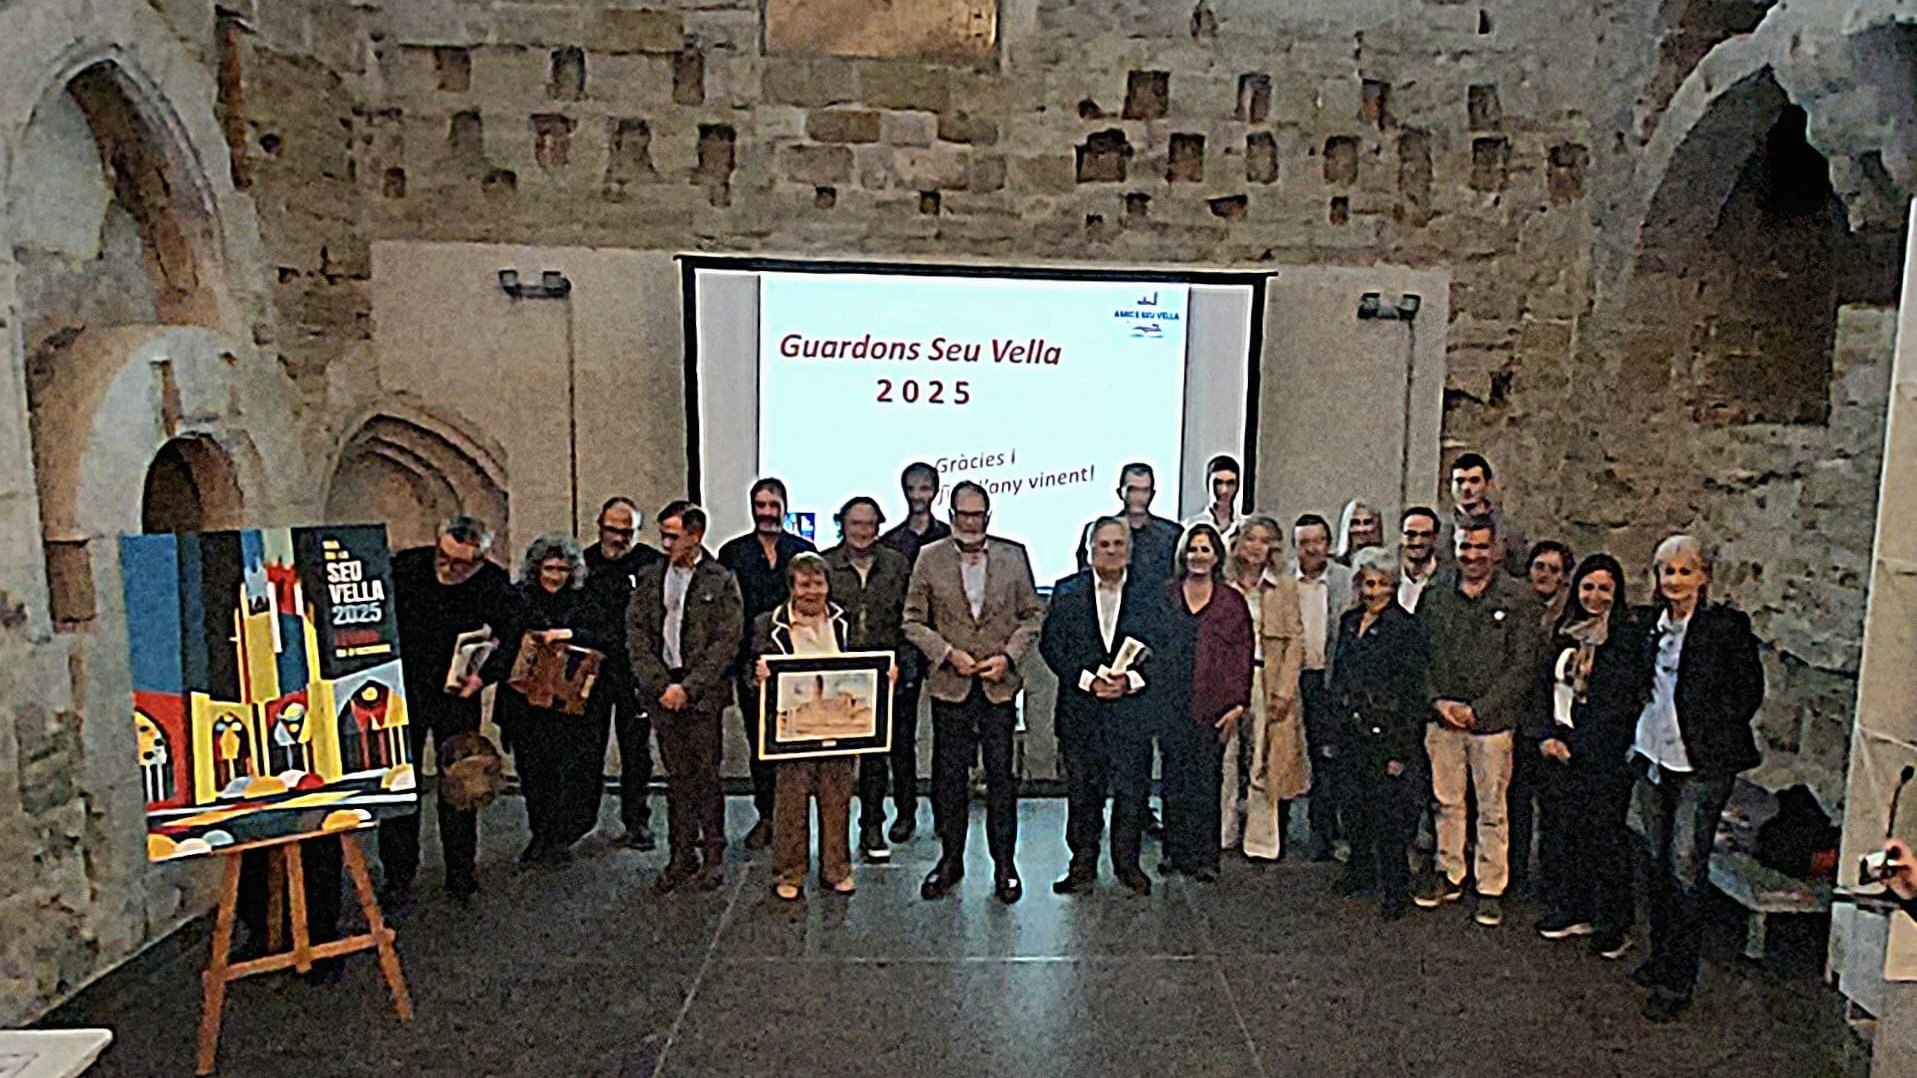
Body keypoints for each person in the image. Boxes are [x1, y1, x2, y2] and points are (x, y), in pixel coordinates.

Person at [1628, 535, 1764, 1022]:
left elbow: (1748, 691)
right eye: (1668, 571)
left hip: (1701, 765)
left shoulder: (1724, 628)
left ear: (1703, 577)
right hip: (1653, 755)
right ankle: (1660, 955)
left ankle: (1678, 978)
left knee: (1685, 866)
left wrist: (1711, 731)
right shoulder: (1650, 627)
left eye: (1685, 571)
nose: (1675, 581)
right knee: (1656, 861)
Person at [903, 481, 1044, 904]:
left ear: (988, 516)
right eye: (963, 515)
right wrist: (947, 654)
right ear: (951, 516)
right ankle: (950, 861)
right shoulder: (929, 558)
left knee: (1001, 779)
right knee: (949, 779)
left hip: (999, 686)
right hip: (952, 686)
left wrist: (1009, 657)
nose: (970, 522)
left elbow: (1032, 616)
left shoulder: (1014, 555)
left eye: (977, 515)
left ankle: (1005, 866)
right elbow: (912, 621)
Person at [1413, 518, 1547, 927]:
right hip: (1443, 719)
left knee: (1492, 808)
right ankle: (1449, 872)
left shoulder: (1519, 599)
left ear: (1497, 550)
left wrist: (1482, 709)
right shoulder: (1436, 594)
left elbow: (1523, 666)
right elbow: (1419, 654)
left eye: (1480, 548)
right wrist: (1437, 700)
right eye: (1465, 547)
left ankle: (1491, 886)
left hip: (1493, 725)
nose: (1472, 556)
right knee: (1446, 802)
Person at [1041, 518, 1174, 895]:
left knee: (1132, 793)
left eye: (1118, 544)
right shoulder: (1067, 591)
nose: (1111, 551)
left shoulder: (1152, 593)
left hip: (1132, 713)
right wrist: (1088, 681)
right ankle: (1082, 864)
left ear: (1129, 550)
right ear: (1090, 551)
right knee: (1083, 794)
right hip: (1081, 712)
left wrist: (1130, 681)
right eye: (1104, 545)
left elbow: (1165, 648)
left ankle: (1128, 865)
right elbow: (1052, 646)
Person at [380, 514, 508, 902]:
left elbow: (513, 634)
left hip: (457, 692)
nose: (450, 568)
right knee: (400, 783)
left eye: (462, 564)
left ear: (480, 559)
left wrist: (483, 677)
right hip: (404, 689)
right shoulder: (407, 567)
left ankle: (461, 872)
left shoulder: (492, 582)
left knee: (462, 780)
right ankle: (398, 874)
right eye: (444, 557)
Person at [478, 533, 620, 866]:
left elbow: (610, 638)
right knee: (534, 774)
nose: (555, 576)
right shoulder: (517, 599)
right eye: (549, 568)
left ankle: (560, 836)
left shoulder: (588, 599)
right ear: (536, 568)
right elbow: (503, 646)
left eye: (562, 569)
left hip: (573, 708)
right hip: (526, 707)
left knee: (571, 774)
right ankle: (541, 836)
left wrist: (568, 635)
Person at [629, 501, 744, 894]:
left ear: (696, 536)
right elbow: (637, 635)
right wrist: (660, 685)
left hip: (702, 694)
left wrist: (689, 687)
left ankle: (713, 853)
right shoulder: (649, 578)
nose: (666, 544)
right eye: (663, 536)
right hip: (662, 690)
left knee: (706, 775)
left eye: (673, 536)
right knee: (676, 778)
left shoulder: (720, 580)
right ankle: (680, 853)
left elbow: (726, 642)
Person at [1533, 553, 1639, 960]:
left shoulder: (1624, 640)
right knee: (1564, 832)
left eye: (1604, 589)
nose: (1595, 596)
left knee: (1604, 838)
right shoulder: (1565, 633)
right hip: (1558, 746)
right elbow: (1545, 686)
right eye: (1588, 587)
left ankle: (1612, 921)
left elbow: (1619, 703)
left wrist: (1579, 745)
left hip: (1601, 754)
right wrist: (1547, 735)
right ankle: (1572, 908)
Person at [753, 553, 864, 900]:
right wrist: (759, 676)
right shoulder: (768, 625)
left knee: (837, 801)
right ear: (791, 587)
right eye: (804, 584)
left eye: (818, 584)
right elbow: (749, 672)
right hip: (792, 731)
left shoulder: (846, 622)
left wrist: (882, 675)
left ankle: (837, 869)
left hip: (839, 730)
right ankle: (789, 873)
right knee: (790, 804)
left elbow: (864, 662)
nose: (812, 592)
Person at [1329, 547, 1431, 920]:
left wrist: (1400, 751)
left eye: (1380, 584)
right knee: (1353, 809)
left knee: (1388, 817)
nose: (1373, 592)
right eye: (1367, 583)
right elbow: (1339, 673)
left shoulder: (1406, 628)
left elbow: (1411, 691)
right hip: (1350, 729)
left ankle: (1395, 888)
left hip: (1386, 732)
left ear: (1393, 586)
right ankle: (1359, 871)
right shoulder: (1349, 621)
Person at [718, 477, 818, 849]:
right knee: (760, 744)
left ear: (785, 508)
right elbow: (727, 613)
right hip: (752, 665)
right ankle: (767, 816)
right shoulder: (733, 553)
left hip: (799, 664)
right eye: (760, 505)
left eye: (773, 506)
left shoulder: (803, 551)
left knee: (795, 745)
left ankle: (795, 818)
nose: (767, 513)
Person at [820, 496, 912, 863]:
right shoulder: (824, 564)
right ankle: (833, 835)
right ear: (842, 525)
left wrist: (903, 665)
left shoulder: (896, 565)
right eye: (855, 523)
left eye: (870, 524)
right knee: (837, 761)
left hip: (883, 674)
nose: (862, 531)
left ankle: (872, 826)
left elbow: (909, 618)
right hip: (835, 676)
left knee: (877, 759)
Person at [1161, 523, 1253, 882]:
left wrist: (1237, 704)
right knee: (1173, 781)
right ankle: (1174, 852)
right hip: (1171, 702)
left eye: (1205, 549)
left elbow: (1243, 654)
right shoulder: (1167, 595)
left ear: (1217, 556)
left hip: (1213, 705)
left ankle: (1205, 858)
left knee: (1207, 782)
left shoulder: (1231, 601)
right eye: (1193, 549)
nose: (1198, 556)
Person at [1220, 515, 1305, 862]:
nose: (1256, 547)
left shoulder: (1284, 586)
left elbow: (1295, 641)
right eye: (1250, 538)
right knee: (1226, 755)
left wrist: (1285, 690)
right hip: (1226, 678)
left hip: (1265, 678)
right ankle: (1222, 833)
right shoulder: (1223, 584)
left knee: (1263, 757)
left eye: (1264, 540)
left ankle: (1260, 839)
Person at [583, 497, 666, 852]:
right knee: (587, 748)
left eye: (627, 532)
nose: (618, 538)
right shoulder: (584, 563)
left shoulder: (650, 564)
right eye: (612, 530)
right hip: (593, 670)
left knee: (636, 751)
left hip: (634, 671)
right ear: (599, 526)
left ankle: (637, 821)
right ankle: (580, 820)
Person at [875, 461, 950, 843]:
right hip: (904, 645)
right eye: (912, 488)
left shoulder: (950, 537)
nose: (918, 496)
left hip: (946, 645)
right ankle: (905, 812)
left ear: (935, 491)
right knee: (900, 735)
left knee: (947, 733)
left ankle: (945, 812)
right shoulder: (890, 542)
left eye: (924, 488)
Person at [1508, 537, 1575, 895]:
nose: (1545, 575)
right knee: (1514, 805)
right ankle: (1514, 876)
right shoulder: (1516, 609)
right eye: (1539, 567)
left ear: (1564, 577)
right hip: (1517, 722)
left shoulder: (1570, 621)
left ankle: (1552, 884)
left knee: (1553, 811)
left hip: (1552, 727)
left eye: (1553, 569)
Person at [1295, 513, 1356, 861]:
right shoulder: (1284, 580)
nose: (1311, 549)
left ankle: (1325, 832)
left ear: (1329, 544)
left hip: (1331, 679)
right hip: (1293, 678)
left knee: (1329, 759)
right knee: (1289, 753)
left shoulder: (1345, 580)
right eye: (1304, 542)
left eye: (1317, 541)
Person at [1077, 461, 1183, 589]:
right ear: (1120, 492)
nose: (1139, 497)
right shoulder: (1098, 531)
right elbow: (1085, 579)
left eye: (1144, 490)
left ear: (1152, 493)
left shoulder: (1172, 534)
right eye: (1133, 490)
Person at [1447, 453, 1530, 577]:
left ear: (1488, 484)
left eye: (1474, 480)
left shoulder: (1509, 531)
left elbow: (1520, 574)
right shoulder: (1437, 528)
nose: (1466, 487)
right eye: (1460, 481)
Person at [1397, 507, 1443, 613]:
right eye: (1411, 534)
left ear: (1435, 537)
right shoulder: (1387, 578)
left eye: (1425, 535)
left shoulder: (1450, 579)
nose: (1417, 542)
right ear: (1401, 536)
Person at [1184, 454, 1241, 532]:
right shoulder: (1190, 526)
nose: (1224, 490)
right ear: (1207, 484)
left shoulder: (1243, 528)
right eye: (1218, 483)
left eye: (1230, 483)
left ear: (1237, 486)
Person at [1334, 500, 1385, 566]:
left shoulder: (1384, 562)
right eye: (1355, 523)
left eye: (1367, 522)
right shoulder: (1337, 565)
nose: (1361, 529)